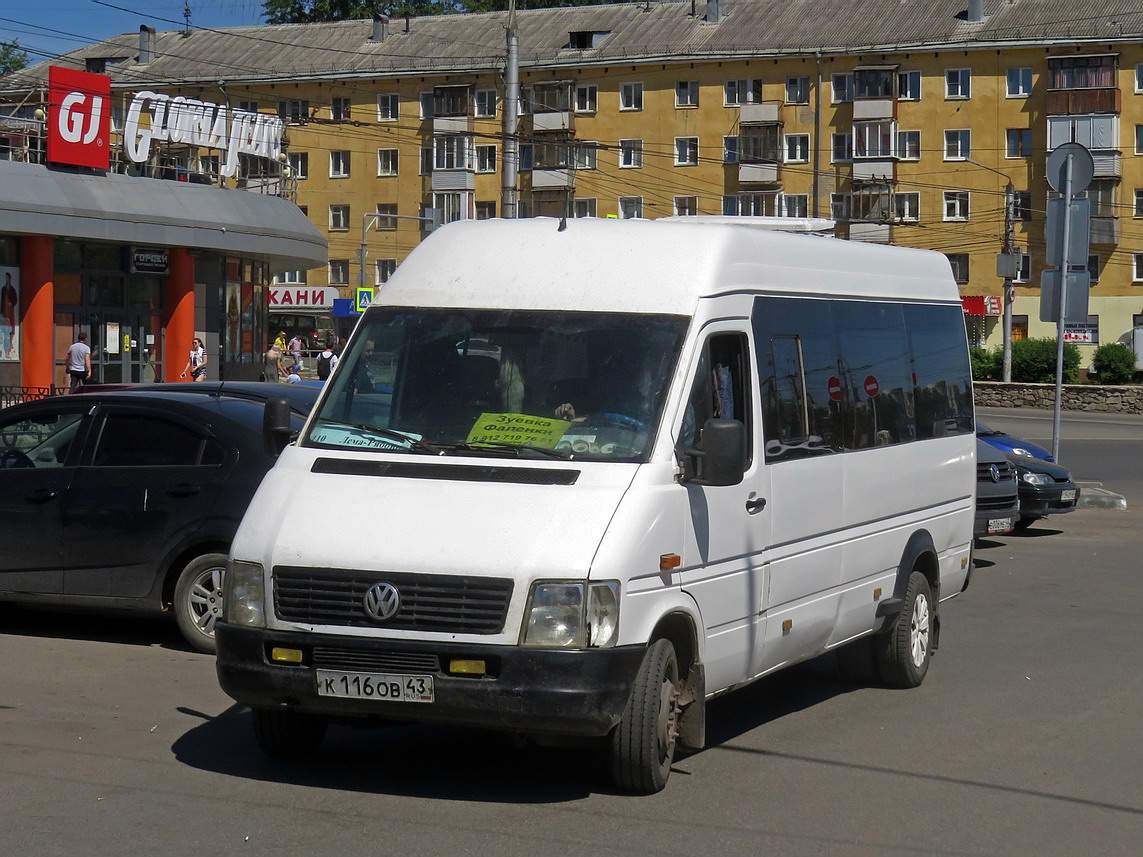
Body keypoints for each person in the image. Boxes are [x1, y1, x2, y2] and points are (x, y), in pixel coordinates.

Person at [1, 271, 17, 360]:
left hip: (10, 310)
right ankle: (6, 351)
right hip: (5, 310)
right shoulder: (3, 289)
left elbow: (15, 299)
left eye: (8, 278)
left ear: (10, 279)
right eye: (6, 278)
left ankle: (10, 343)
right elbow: (2, 300)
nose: (7, 279)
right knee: (5, 328)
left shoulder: (12, 289)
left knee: (11, 326)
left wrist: (12, 303)